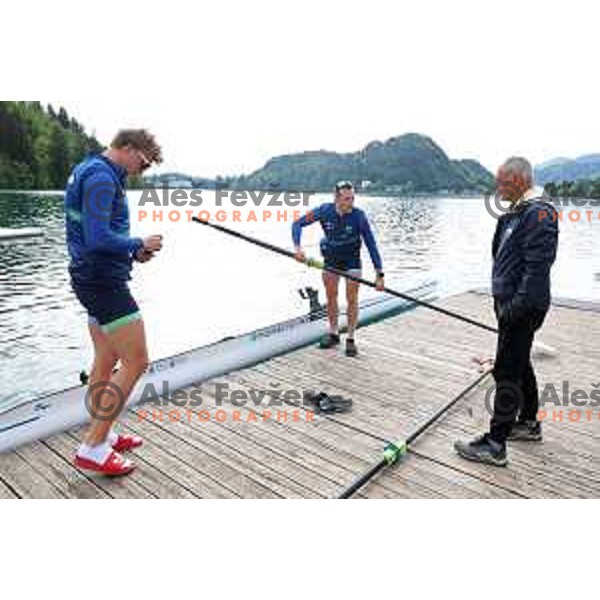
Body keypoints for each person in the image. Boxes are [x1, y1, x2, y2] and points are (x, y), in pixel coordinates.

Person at [65, 129, 164, 477]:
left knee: (106, 359)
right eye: (143, 161)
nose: (142, 170)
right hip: (102, 281)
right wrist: (139, 240)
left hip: (94, 276)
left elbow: (101, 236)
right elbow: (96, 239)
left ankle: (103, 433)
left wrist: (134, 252)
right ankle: (92, 447)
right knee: (137, 361)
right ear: (128, 147)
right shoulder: (101, 177)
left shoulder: (92, 170)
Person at [455, 157, 559, 467]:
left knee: (507, 371)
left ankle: (495, 444)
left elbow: (537, 269)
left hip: (523, 307)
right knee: (520, 360)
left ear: (520, 179)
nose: (498, 188)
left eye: (503, 182)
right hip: (511, 305)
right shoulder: (517, 213)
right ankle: (528, 423)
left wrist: (514, 308)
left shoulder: (539, 213)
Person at [292, 181, 385, 357]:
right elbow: (297, 224)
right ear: (336, 198)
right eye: (347, 199)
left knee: (352, 298)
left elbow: (371, 245)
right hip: (331, 259)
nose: (351, 202)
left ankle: (350, 338)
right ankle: (334, 333)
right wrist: (298, 248)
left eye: (352, 198)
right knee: (331, 296)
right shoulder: (324, 211)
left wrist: (379, 274)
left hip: (352, 260)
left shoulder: (359, 216)